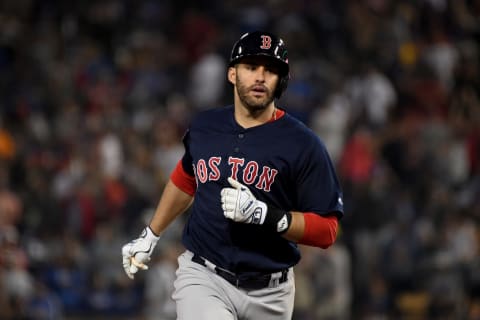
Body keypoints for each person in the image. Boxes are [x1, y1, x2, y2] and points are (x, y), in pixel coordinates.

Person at [122, 30, 344, 320]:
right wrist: (151, 234)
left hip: (271, 291)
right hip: (204, 276)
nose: (260, 77)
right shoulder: (205, 126)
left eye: (270, 70)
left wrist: (266, 215)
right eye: (251, 67)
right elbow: (187, 178)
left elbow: (327, 230)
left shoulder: (304, 144)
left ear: (282, 82)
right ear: (231, 74)